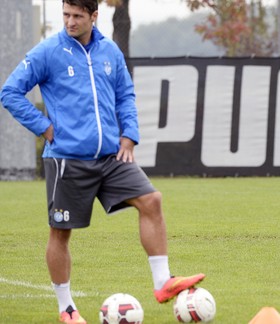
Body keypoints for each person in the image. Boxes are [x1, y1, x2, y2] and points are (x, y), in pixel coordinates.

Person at [0, 1, 205, 323]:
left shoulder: (110, 51)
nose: (69, 22)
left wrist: (129, 136)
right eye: (65, 15)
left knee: (152, 200)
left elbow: (125, 95)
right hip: (67, 159)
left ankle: (163, 283)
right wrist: (46, 128)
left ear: (94, 17)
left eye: (77, 16)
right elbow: (10, 92)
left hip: (111, 156)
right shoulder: (47, 52)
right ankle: (66, 308)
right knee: (60, 232)